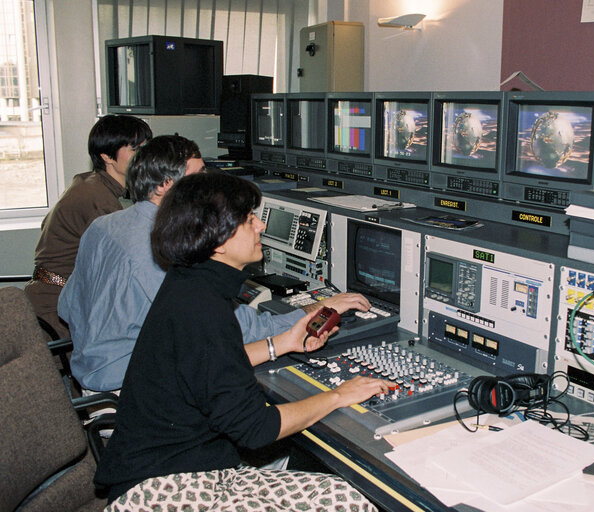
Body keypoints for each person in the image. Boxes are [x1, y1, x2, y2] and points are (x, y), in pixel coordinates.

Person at [94, 172, 390, 510]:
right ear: (218, 240)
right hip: (166, 488)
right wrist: (339, 394)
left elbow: (203, 366)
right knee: (348, 501)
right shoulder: (203, 309)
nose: (260, 226)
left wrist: (281, 344)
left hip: (172, 467)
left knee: (336, 489)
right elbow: (256, 429)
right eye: (249, 219)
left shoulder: (189, 283)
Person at [59, 135, 370, 394]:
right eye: (198, 176)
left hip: (88, 375)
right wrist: (318, 309)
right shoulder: (165, 251)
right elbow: (235, 331)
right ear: (166, 186)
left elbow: (66, 306)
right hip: (127, 390)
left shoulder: (103, 227)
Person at [25, 114, 152, 339]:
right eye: (135, 150)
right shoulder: (97, 198)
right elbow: (129, 261)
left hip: (54, 299)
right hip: (55, 312)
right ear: (106, 156)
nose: (145, 156)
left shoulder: (91, 184)